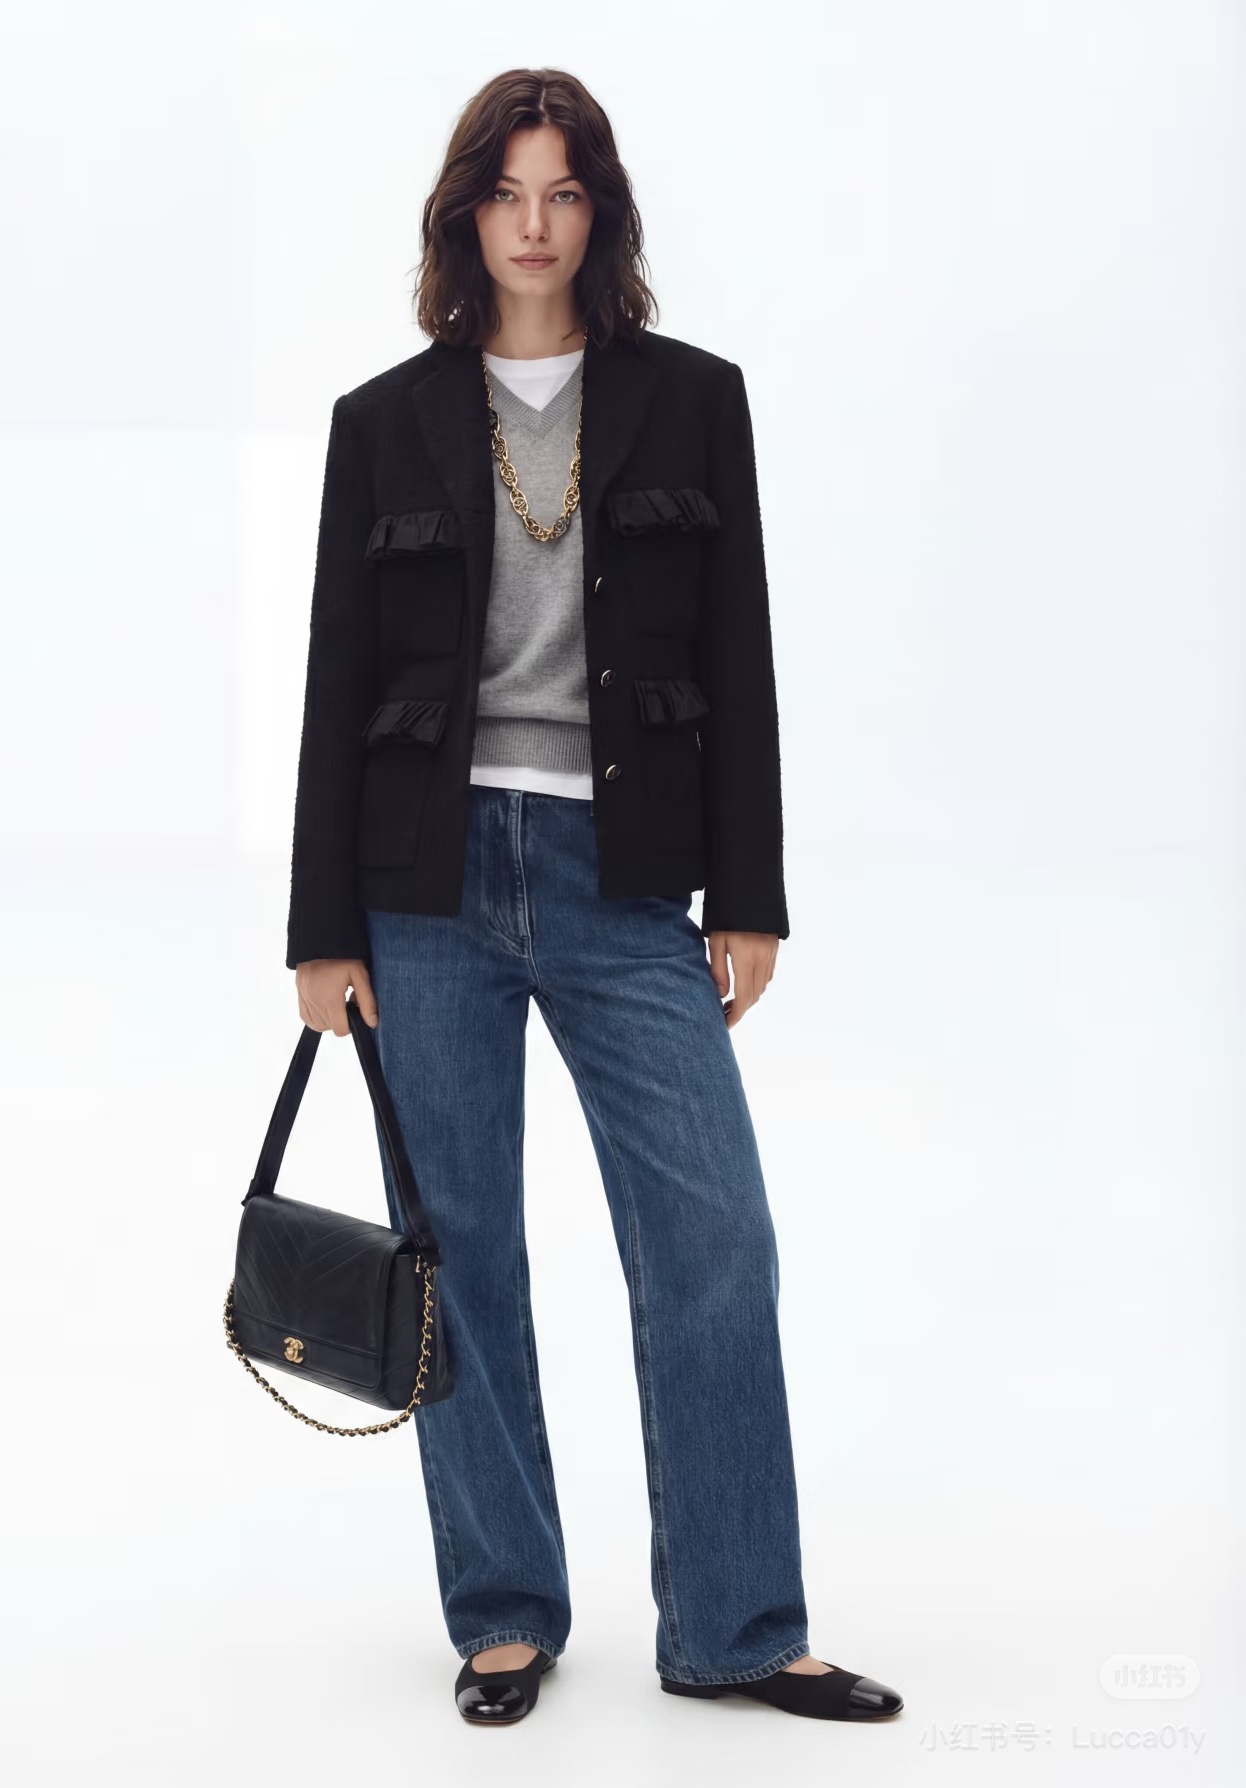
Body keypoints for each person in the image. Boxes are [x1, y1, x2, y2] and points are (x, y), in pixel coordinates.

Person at [285, 67, 904, 1729]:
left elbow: (741, 652)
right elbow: (338, 680)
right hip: (425, 888)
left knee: (713, 1243)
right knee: (462, 1254)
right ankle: (503, 1614)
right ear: (465, 217)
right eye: (507, 194)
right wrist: (321, 929)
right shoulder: (383, 421)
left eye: (563, 193)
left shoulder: (693, 401)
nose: (535, 224)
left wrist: (750, 894)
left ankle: (737, 1626)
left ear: (600, 212)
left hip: (627, 881)